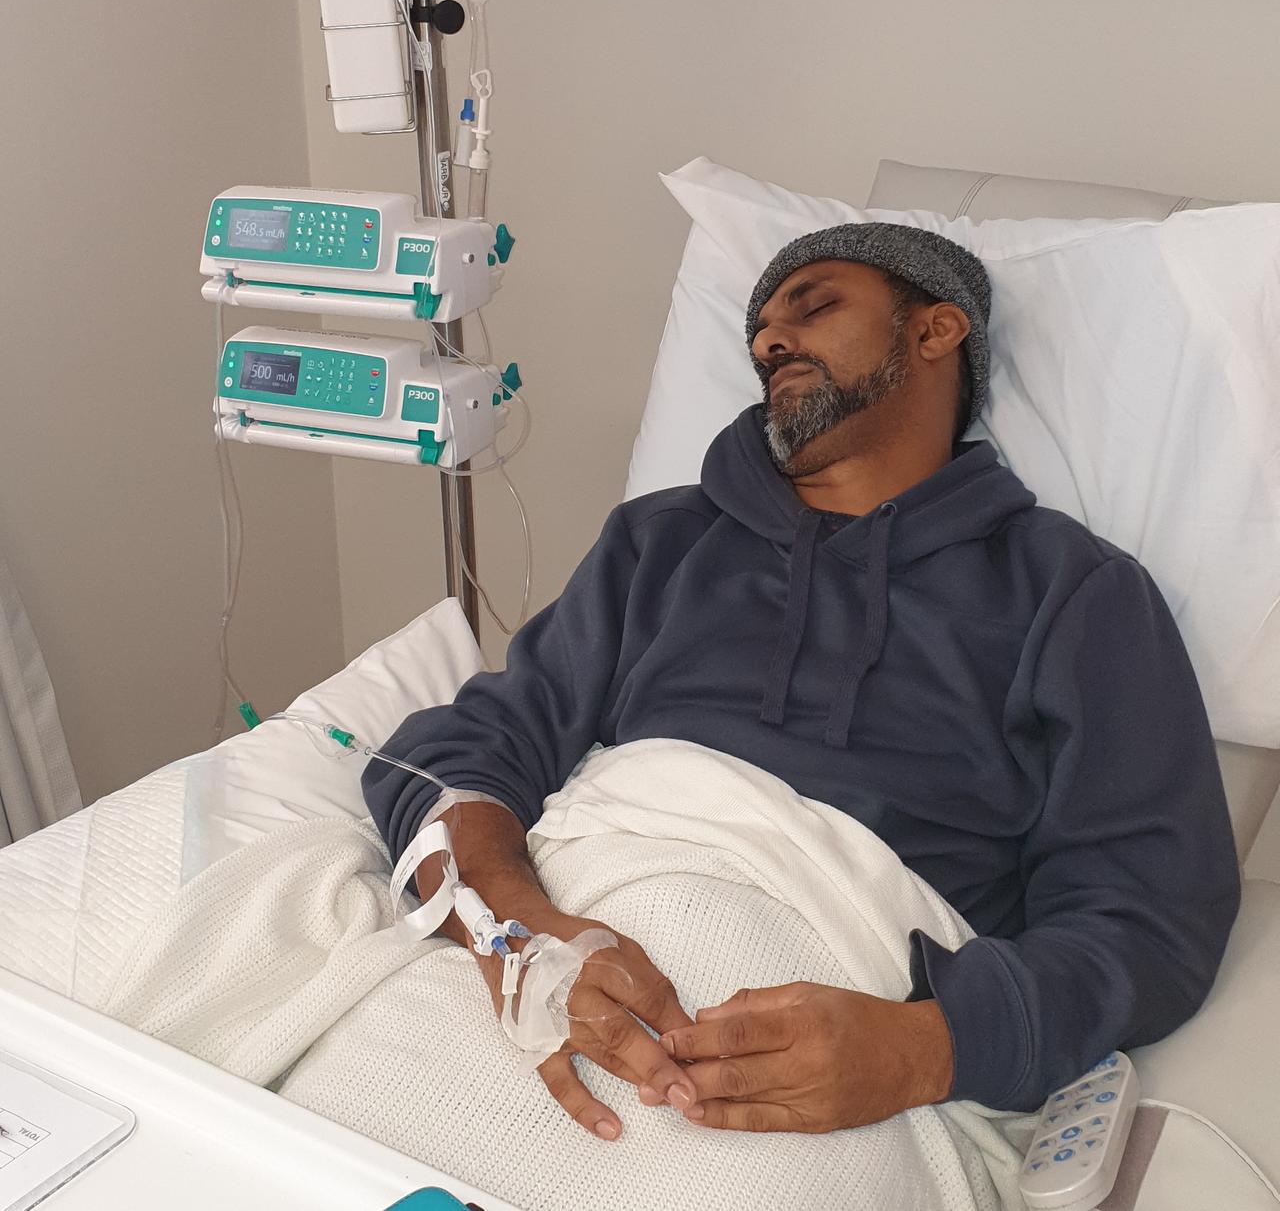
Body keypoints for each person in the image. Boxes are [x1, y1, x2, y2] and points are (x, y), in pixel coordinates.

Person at [364, 223, 1240, 1144]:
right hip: (564, 952)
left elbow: (1149, 916)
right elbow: (460, 754)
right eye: (760, 338)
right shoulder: (660, 543)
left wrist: (921, 1049)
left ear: (937, 329)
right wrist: (518, 937)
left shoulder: (1073, 592)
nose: (772, 340)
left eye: (813, 307)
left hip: (844, 1032)